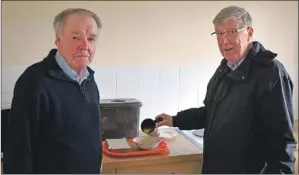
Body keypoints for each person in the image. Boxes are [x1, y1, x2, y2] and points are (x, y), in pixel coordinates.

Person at [155, 6, 297, 174]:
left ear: (249, 33)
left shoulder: (271, 72)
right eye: (219, 34)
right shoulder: (225, 68)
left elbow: (282, 143)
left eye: (231, 32)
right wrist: (175, 120)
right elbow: (210, 113)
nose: (224, 40)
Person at [3, 8, 103, 174]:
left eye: (91, 39)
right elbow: (18, 151)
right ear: (58, 40)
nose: (85, 45)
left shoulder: (89, 80)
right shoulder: (34, 81)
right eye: (76, 37)